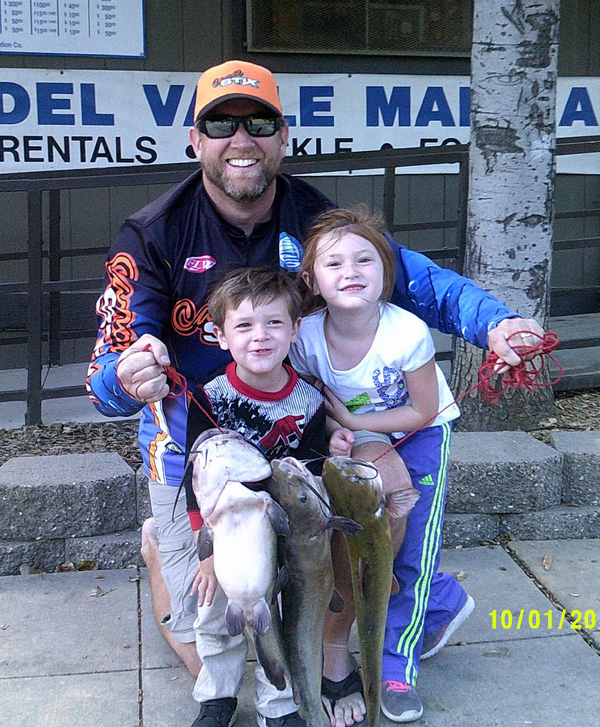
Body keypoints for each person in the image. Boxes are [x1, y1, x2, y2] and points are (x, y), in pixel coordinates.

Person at [86, 58, 543, 727]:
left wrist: (495, 321)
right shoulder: (153, 231)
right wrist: (126, 374)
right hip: (198, 450)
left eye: (259, 122)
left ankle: (397, 602)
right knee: (218, 652)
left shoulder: (318, 220)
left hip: (296, 429)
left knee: (336, 553)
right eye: (222, 123)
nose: (241, 138)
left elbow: (415, 278)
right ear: (196, 140)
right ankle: (166, 546)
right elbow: (107, 370)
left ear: (283, 136)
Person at [289, 206, 468, 724]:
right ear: (313, 281)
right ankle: (442, 600)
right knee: (354, 546)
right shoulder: (305, 335)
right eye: (334, 263)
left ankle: (395, 665)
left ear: (386, 272)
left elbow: (424, 408)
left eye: (366, 260)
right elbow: (311, 401)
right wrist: (336, 431)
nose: (351, 272)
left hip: (419, 433)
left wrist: (350, 416)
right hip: (359, 436)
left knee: (409, 550)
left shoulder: (406, 331)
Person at [182, 267, 351, 727]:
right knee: (215, 615)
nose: (260, 337)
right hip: (226, 533)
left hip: (280, 533)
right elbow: (193, 476)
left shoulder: (309, 403)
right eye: (244, 326)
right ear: (220, 335)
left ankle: (279, 705)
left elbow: (310, 483)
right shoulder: (209, 398)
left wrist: (332, 450)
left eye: (274, 323)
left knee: (276, 615)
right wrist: (204, 551)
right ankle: (216, 697)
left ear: (295, 329)